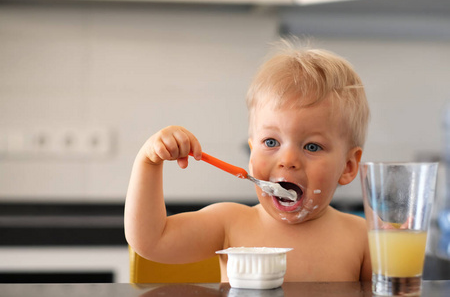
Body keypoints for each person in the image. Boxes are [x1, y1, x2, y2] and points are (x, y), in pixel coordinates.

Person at [124, 39, 372, 282]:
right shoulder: (229, 224)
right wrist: (148, 162)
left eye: (312, 146)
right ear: (252, 152)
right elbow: (151, 241)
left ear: (348, 167)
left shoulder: (364, 239)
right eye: (271, 142)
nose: (288, 160)